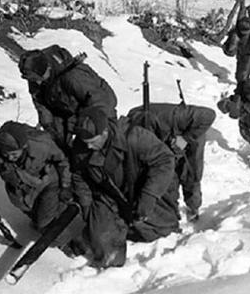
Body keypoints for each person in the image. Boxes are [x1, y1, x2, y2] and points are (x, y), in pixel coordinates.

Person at [70, 107, 180, 267]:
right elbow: (79, 176)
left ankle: (131, 224)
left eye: (93, 142)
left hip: (140, 190)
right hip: (109, 197)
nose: (88, 147)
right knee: (103, 243)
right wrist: (87, 208)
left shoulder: (134, 136)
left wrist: (149, 195)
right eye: (85, 143)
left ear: (105, 132)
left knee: (162, 229)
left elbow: (165, 160)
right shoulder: (80, 146)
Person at [0, 121, 82, 247]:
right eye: (6, 154)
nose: (10, 158)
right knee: (36, 215)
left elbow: (62, 161)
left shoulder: (42, 144)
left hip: (47, 185)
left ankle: (67, 243)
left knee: (44, 223)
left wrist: (66, 186)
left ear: (24, 147)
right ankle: (49, 216)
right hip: (21, 194)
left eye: (14, 154)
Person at [126, 102, 217, 222]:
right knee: (167, 175)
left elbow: (209, 115)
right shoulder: (132, 125)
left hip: (191, 140)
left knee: (190, 175)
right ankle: (171, 211)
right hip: (165, 143)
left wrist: (185, 139)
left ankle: (193, 207)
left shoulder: (176, 115)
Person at [18, 45, 117, 152]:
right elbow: (41, 104)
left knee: (92, 143)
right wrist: (49, 128)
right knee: (61, 144)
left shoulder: (73, 77)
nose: (37, 82)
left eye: (39, 78)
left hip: (94, 108)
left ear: (48, 69)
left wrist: (102, 129)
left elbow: (100, 100)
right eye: (34, 79)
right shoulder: (34, 76)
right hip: (64, 109)